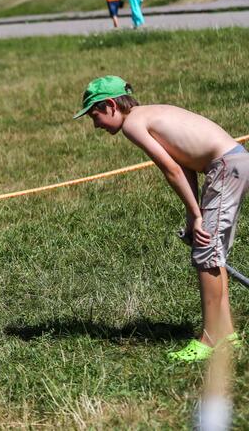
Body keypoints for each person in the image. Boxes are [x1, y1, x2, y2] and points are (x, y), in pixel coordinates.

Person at [73, 75, 246, 362]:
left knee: (207, 253)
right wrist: (195, 215)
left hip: (225, 166)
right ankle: (227, 333)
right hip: (231, 163)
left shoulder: (133, 125)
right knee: (212, 251)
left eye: (96, 115)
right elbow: (184, 164)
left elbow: (171, 170)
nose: (96, 125)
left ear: (111, 105)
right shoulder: (148, 114)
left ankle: (211, 339)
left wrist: (195, 215)